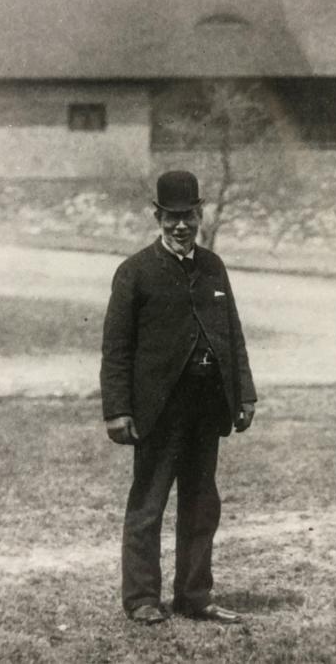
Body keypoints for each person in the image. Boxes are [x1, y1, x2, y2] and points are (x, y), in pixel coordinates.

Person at [100, 170, 257, 625]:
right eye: (172, 217)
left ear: (200, 214)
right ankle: (142, 598)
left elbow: (232, 334)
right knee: (148, 505)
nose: (181, 225)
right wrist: (118, 409)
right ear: (158, 217)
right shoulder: (134, 271)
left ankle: (194, 595)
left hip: (207, 407)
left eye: (188, 215)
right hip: (158, 410)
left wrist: (244, 394)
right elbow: (116, 348)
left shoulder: (213, 267)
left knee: (202, 502)